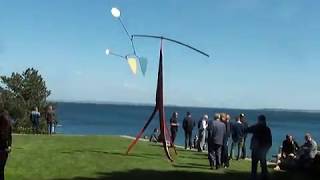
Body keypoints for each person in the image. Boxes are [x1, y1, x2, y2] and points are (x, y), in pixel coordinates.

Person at [246, 114, 272, 180]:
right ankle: (264, 176)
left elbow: (247, 130)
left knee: (254, 164)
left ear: (259, 120)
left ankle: (254, 176)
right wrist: (266, 149)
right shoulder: (267, 129)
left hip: (256, 148)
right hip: (262, 149)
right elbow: (269, 141)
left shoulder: (256, 127)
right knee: (263, 163)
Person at [0, 111, 12, 180]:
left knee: (1, 169)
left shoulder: (8, 126)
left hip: (4, 150)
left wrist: (9, 146)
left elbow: (10, 137)